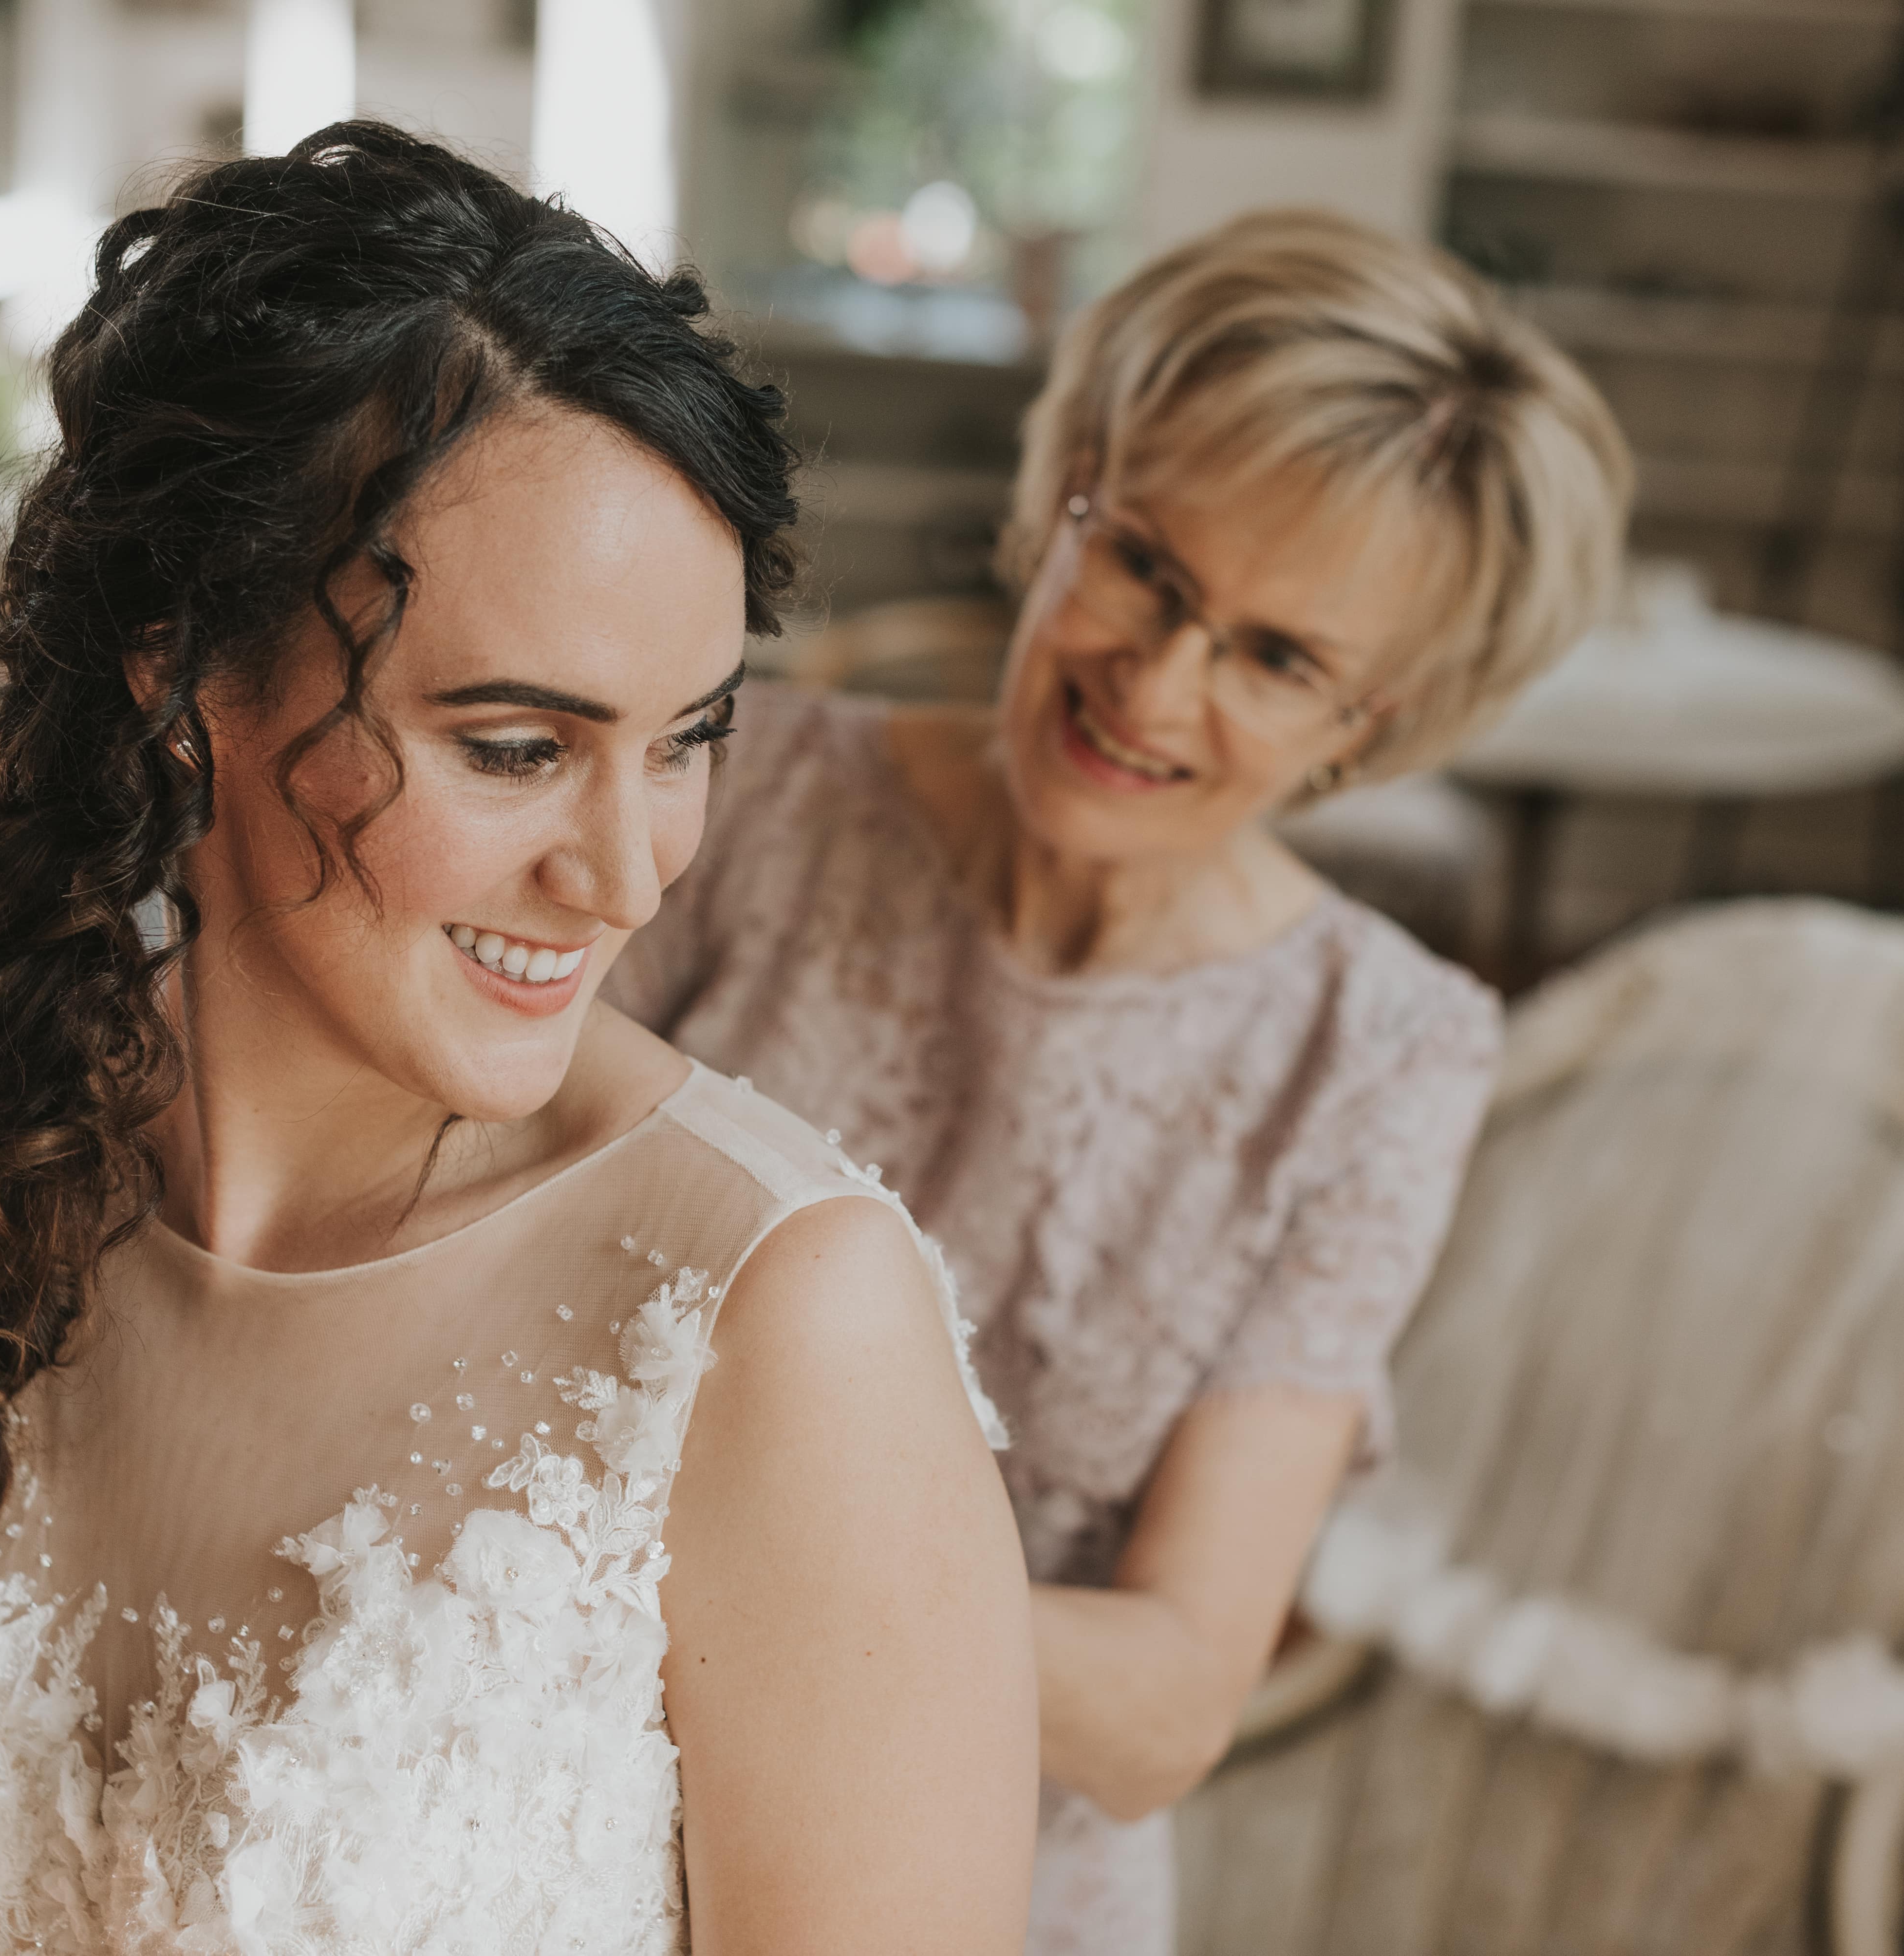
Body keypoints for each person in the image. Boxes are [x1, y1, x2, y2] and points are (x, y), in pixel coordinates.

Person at [0, 126, 1036, 1956]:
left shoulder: (775, 1321)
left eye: (686, 740)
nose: (628, 872)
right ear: (183, 678)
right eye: (516, 749)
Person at [604, 207, 1633, 1954]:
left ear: (1369, 728)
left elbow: (1165, 1705)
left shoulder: (1385, 1056)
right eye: (1147, 567)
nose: (1157, 686)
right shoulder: (747, 782)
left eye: (1278, 659)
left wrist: (735, 1570)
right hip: (569, 1812)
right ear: (1061, 493)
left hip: (1002, 1894)